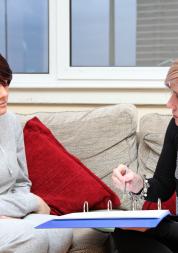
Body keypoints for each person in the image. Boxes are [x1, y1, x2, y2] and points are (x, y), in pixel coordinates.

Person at [0, 54, 72, 253]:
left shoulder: (10, 121)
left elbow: (22, 183)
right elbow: (31, 200)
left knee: (61, 231)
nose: (4, 93)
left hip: (12, 212)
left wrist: (17, 212)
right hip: (12, 211)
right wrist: (34, 203)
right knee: (31, 238)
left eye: (5, 84)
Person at [112, 59, 178, 253]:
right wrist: (136, 183)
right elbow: (163, 187)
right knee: (123, 230)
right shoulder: (175, 128)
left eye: (177, 94)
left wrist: (156, 226)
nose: (169, 103)